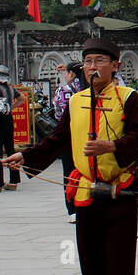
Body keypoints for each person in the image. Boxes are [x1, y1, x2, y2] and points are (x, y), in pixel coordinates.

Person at [7, 38, 138, 275]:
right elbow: (57, 140)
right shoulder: (75, 102)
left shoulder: (129, 98)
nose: (93, 68)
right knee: (91, 258)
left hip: (119, 188)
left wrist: (112, 147)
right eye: (88, 62)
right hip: (85, 188)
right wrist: (26, 158)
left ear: (115, 66)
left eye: (100, 61)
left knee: (120, 260)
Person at [50, 62, 85, 222]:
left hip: (68, 136)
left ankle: (72, 209)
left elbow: (57, 112)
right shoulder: (90, 89)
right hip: (87, 135)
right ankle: (86, 204)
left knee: (69, 173)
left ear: (71, 74)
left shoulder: (64, 90)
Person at [0, 65, 23, 191]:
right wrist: (10, 108)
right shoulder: (10, 88)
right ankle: (14, 180)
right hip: (8, 119)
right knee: (10, 149)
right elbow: (22, 99)